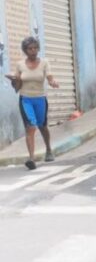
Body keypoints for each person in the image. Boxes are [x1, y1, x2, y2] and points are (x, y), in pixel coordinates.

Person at [5, 36, 59, 170]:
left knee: (42, 126)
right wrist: (14, 79)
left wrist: (52, 82)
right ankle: (31, 158)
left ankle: (48, 150)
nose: (33, 51)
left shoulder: (44, 63)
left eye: (35, 48)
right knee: (30, 127)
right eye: (30, 49)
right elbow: (17, 87)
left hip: (40, 99)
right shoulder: (20, 65)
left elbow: (50, 77)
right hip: (25, 99)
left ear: (38, 49)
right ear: (25, 50)